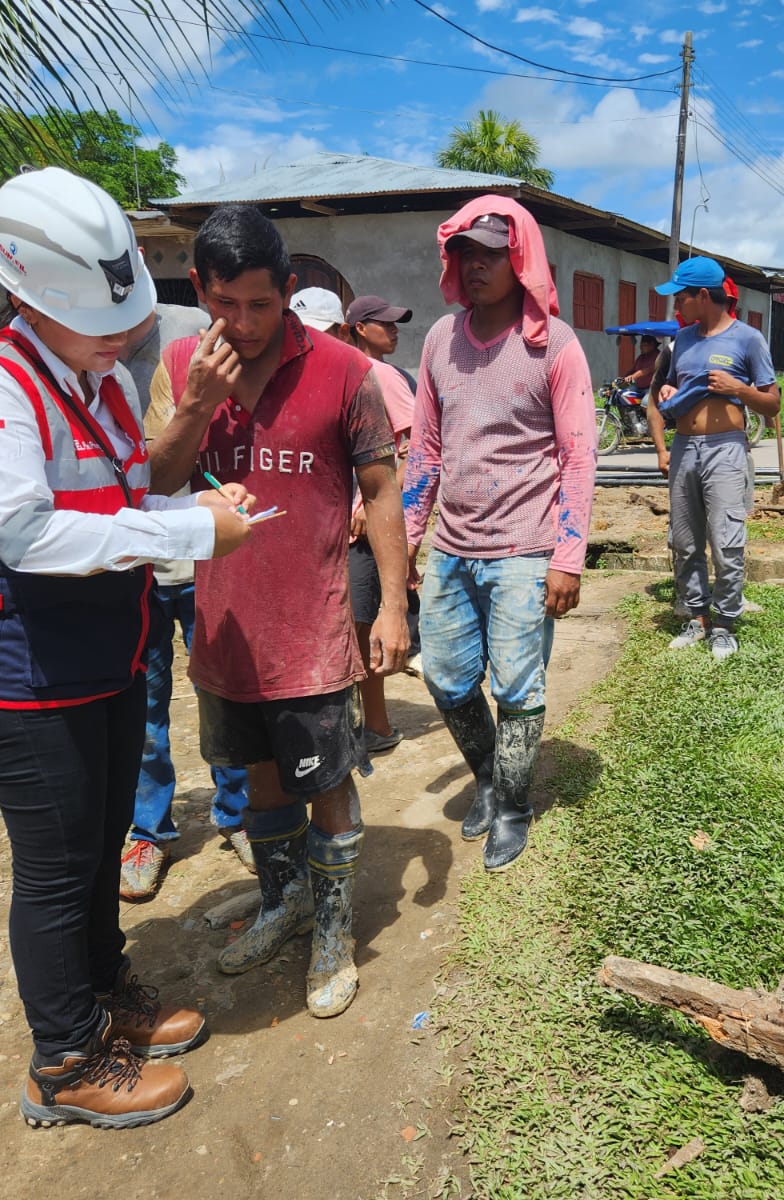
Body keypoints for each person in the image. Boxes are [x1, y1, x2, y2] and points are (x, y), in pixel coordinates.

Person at [0, 167, 253, 1128]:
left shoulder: (95, 379)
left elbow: (113, 502)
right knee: (58, 866)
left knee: (104, 838)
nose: (126, 335)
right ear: (26, 294)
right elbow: (26, 536)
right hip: (22, 668)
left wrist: (187, 506)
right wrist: (186, 535)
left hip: (98, 652)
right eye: (97, 317)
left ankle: (104, 998)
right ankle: (63, 1061)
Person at [146, 206, 409, 1019]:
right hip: (227, 626)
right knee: (259, 780)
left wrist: (394, 605)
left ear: (289, 292)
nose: (244, 324)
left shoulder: (343, 373)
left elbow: (383, 491)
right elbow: (155, 481)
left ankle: (332, 925)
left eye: (261, 305)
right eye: (226, 305)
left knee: (325, 781)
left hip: (314, 627)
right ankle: (284, 900)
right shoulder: (183, 363)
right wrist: (195, 403)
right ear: (201, 291)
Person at [401, 198, 597, 872]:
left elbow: (577, 457)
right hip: (452, 547)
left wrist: (567, 556)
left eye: (489, 252)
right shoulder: (437, 342)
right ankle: (486, 776)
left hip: (525, 547)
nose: (475, 265)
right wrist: (405, 538)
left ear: (521, 258)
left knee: (517, 685)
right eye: (464, 253)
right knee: (448, 679)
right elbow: (425, 449)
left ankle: (514, 805)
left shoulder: (555, 345)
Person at [118, 304, 253, 901]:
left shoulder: (192, 339)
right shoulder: (87, 366)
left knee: (222, 697)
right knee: (144, 714)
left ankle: (239, 814)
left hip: (205, 561)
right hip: (137, 568)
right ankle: (149, 829)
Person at [646, 257, 780, 662]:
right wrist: (668, 393)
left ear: (704, 296)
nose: (676, 306)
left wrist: (739, 387)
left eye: (681, 298)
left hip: (726, 448)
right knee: (685, 541)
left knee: (726, 541)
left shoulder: (747, 339)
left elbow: (772, 404)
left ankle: (724, 623)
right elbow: (667, 389)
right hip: (686, 447)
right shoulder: (682, 340)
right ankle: (696, 616)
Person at [340, 292, 421, 741]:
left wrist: (360, 507)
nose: (392, 331)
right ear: (358, 328)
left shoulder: (382, 375)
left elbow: (412, 452)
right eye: (383, 323)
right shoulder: (354, 370)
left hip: (367, 521)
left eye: (394, 324)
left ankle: (377, 725)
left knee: (362, 622)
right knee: (356, 621)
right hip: (358, 518)